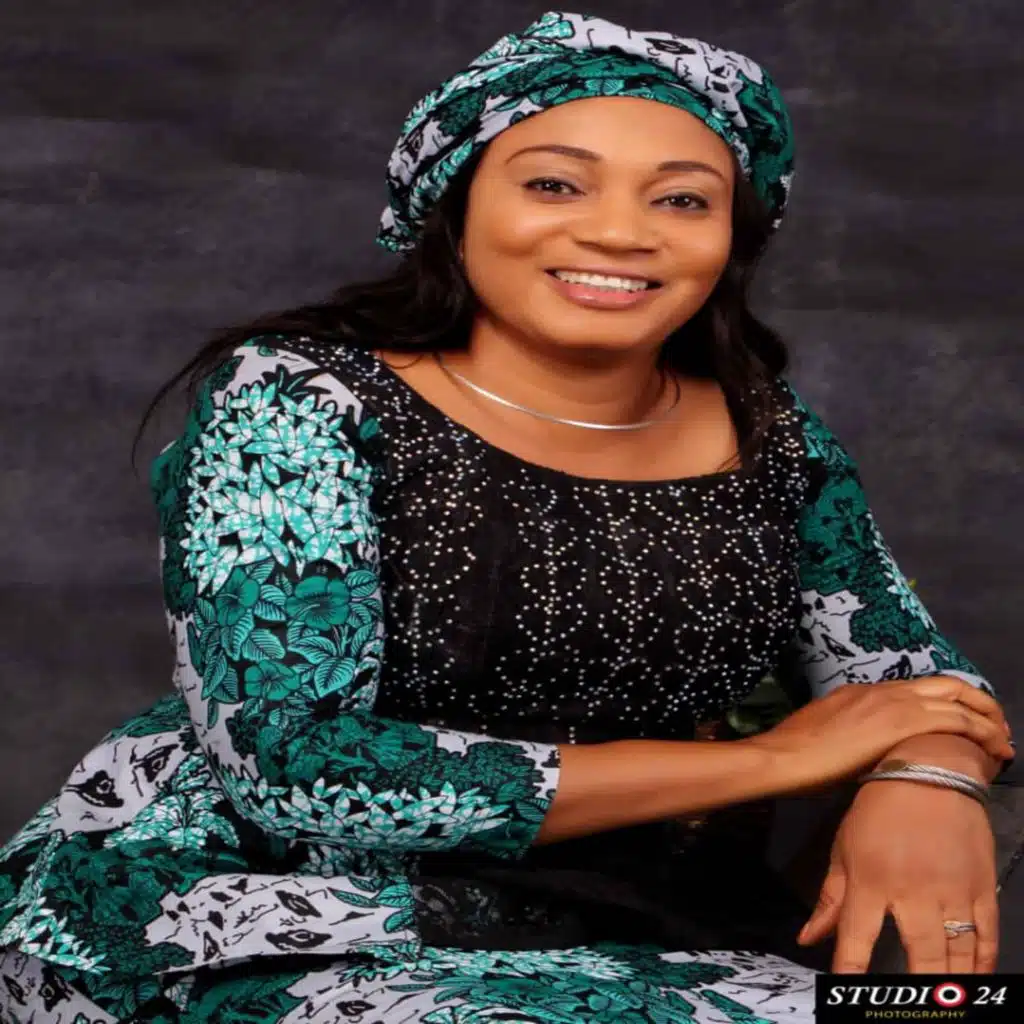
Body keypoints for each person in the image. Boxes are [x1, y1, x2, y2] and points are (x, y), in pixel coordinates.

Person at [0, 10, 1014, 1023]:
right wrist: (770, 761)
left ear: (733, 238)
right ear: (452, 203)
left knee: (946, 1014)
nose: (619, 232)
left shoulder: (770, 434)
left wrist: (930, 782)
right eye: (554, 184)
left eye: (681, 199)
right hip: (277, 914)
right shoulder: (297, 401)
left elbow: (915, 680)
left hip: (652, 921)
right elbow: (294, 766)